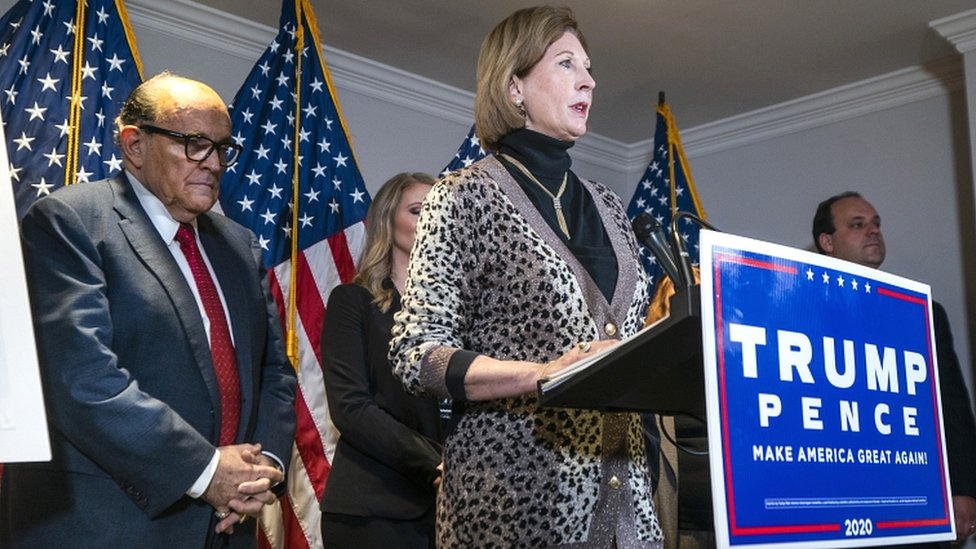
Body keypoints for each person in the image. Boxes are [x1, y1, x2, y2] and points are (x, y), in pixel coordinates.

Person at [390, 6, 663, 548]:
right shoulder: (462, 197)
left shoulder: (609, 205)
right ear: (514, 86)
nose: (588, 79)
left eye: (589, 68)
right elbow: (416, 353)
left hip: (626, 503)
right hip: (513, 504)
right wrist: (541, 374)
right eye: (566, 64)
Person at [0, 73, 297, 548]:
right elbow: (82, 379)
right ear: (135, 146)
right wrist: (205, 471)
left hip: (224, 524)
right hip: (107, 523)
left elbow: (274, 373)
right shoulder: (70, 219)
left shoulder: (238, 245)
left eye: (222, 148)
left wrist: (261, 473)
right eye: (195, 144)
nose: (214, 163)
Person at [813, 191, 976, 548]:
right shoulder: (801, 309)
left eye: (875, 224)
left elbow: (952, 405)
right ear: (827, 241)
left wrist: (963, 490)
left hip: (916, 500)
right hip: (836, 501)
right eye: (857, 225)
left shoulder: (923, 312)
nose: (873, 231)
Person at [320, 173, 443, 548]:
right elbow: (351, 407)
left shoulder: (456, 316)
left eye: (441, 211)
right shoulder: (351, 302)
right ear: (388, 222)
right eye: (420, 210)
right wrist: (435, 462)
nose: (432, 220)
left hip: (448, 510)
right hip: (372, 511)